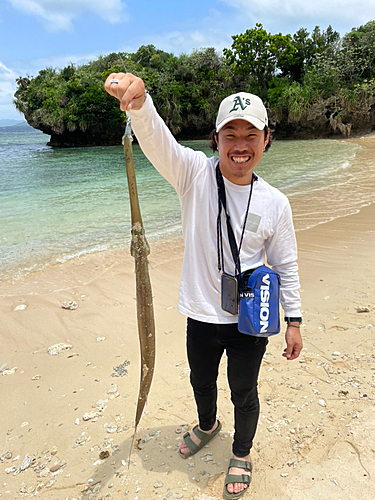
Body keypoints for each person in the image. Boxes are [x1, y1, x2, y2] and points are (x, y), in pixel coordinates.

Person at [105, 73, 303, 499]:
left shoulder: (275, 202)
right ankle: (209, 425)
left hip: (250, 319)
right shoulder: (193, 175)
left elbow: (285, 262)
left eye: (251, 134)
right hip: (200, 312)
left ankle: (243, 452)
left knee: (244, 391)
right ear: (215, 139)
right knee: (201, 381)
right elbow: (159, 143)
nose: (240, 144)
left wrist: (295, 320)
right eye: (230, 133)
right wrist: (139, 104)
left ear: (266, 140)